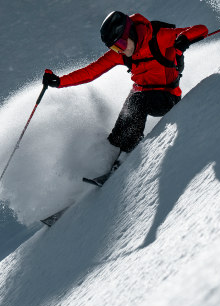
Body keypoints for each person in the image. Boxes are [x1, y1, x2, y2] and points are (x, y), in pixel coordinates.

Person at [43, 11, 208, 184]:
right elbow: (92, 71)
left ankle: (128, 154)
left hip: (166, 97)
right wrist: (59, 81)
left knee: (137, 101)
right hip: (141, 94)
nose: (121, 50)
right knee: (123, 122)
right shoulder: (122, 53)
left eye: (121, 43)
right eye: (115, 47)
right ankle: (110, 160)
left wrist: (183, 40)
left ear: (130, 33)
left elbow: (201, 29)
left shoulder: (159, 37)